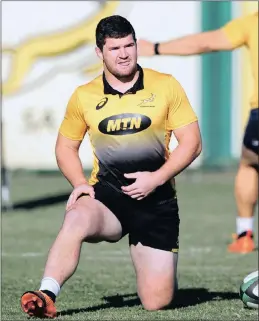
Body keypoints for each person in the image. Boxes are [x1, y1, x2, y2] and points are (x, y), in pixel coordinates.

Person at [20, 15, 202, 318]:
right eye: (115, 47)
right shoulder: (84, 96)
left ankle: (157, 268)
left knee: (157, 302)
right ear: (99, 52)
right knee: (77, 214)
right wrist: (79, 183)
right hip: (108, 199)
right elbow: (65, 146)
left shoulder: (166, 85)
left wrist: (156, 179)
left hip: (156, 202)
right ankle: (47, 293)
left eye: (129, 45)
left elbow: (193, 143)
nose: (124, 53)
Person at [138, 12, 258, 254]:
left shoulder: (253, 21)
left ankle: (245, 234)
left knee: (250, 164)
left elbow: (206, 42)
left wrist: (157, 48)